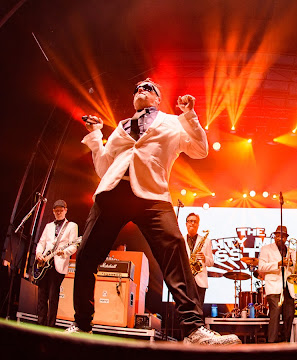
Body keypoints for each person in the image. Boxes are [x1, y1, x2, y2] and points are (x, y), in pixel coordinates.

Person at [70, 78, 239, 345]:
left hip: (152, 194)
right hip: (113, 192)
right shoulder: (121, 127)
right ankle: (81, 324)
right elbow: (104, 168)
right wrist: (95, 136)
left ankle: (194, 329)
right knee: (88, 253)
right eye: (137, 88)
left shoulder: (173, 122)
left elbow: (200, 150)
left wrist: (189, 115)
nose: (141, 90)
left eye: (148, 88)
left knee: (175, 252)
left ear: (158, 98)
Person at [34, 199, 78, 327]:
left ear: (65, 210)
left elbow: (74, 245)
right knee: (42, 296)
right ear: (53, 211)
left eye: (61, 210)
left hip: (58, 264)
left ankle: (50, 325)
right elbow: (41, 242)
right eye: (56, 210)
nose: (58, 212)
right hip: (44, 264)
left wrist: (63, 253)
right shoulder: (48, 226)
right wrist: (39, 254)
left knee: (53, 297)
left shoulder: (72, 226)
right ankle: (40, 324)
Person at [258, 225, 296, 342]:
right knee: (275, 317)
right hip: (274, 287)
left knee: (289, 317)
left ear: (286, 238)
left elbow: (295, 270)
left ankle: (286, 343)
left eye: (283, 236)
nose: (280, 238)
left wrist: (292, 265)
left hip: (288, 287)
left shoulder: (291, 251)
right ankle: (271, 344)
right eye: (278, 235)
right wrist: (278, 264)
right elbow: (261, 267)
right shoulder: (266, 249)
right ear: (275, 236)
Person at [183, 213, 214, 309]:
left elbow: (211, 262)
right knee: (184, 309)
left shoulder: (206, 241)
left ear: (198, 224)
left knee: (198, 310)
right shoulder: (181, 240)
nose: (192, 223)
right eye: (190, 221)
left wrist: (204, 258)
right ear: (186, 224)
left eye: (194, 221)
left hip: (199, 281)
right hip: (184, 280)